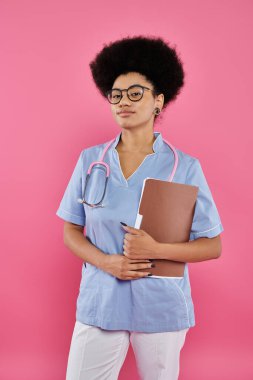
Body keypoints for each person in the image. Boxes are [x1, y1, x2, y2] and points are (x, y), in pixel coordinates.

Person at [56, 35, 224, 380]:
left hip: (160, 306)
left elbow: (212, 245)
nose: (123, 102)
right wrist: (107, 262)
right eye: (115, 95)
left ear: (158, 101)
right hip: (101, 302)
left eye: (136, 93)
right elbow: (71, 230)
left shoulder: (184, 167)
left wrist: (156, 249)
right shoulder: (91, 161)